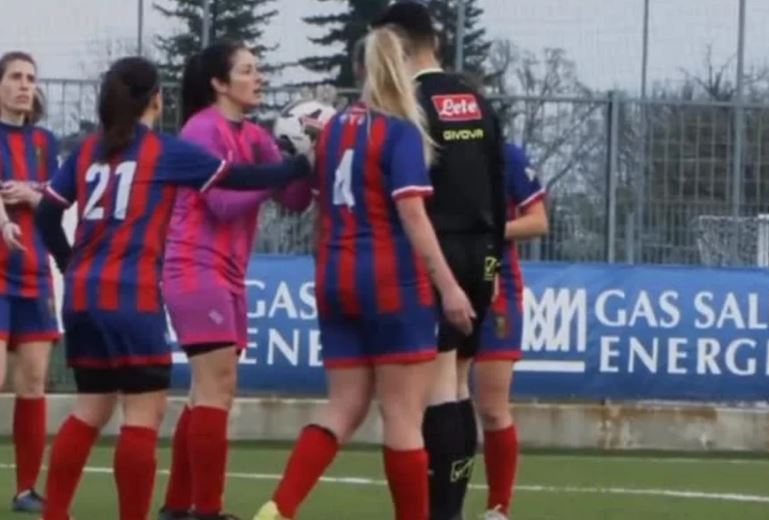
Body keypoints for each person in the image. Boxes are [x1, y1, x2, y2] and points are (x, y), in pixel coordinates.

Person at [34, 56, 312, 520]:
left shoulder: (87, 151)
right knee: (142, 415)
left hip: (82, 294)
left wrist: (70, 263)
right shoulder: (162, 150)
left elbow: (46, 214)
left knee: (89, 409)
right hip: (130, 293)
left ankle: (55, 512)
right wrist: (300, 165)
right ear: (156, 99)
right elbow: (238, 178)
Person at [252, 25, 474, 520]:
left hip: (336, 278)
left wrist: (327, 271)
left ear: (358, 71)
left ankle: (279, 507)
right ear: (408, 66)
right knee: (402, 417)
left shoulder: (329, 131)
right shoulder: (400, 133)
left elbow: (318, 212)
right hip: (392, 284)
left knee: (340, 408)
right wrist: (451, 287)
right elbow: (413, 218)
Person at [158, 41, 311, 520]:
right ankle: (209, 509)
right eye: (248, 70)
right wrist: (281, 170)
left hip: (227, 272)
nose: (258, 77)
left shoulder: (257, 135)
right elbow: (223, 203)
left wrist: (311, 156)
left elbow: (293, 198)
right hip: (194, 265)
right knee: (216, 388)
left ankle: (178, 506)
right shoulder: (202, 129)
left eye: (258, 69)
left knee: (206, 390)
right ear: (219, 84)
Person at [372, 3, 508, 519]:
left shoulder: (409, 103)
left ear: (398, 45)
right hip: (481, 255)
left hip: (437, 255)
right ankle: (448, 507)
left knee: (435, 387)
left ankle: (437, 510)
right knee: (457, 383)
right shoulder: (475, 99)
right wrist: (493, 266)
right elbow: (498, 189)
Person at [473, 143, 548, 519]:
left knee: (491, 407)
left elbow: (538, 220)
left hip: (497, 292)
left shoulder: (506, 156)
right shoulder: (426, 151)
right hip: (436, 285)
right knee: (436, 405)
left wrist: (487, 231)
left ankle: (498, 509)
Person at [0, 51, 60, 514]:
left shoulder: (45, 141)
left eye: (31, 78)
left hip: (35, 273)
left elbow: (59, 200)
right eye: (16, 77)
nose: (25, 85)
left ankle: (25, 490)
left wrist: (33, 194)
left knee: (34, 382)